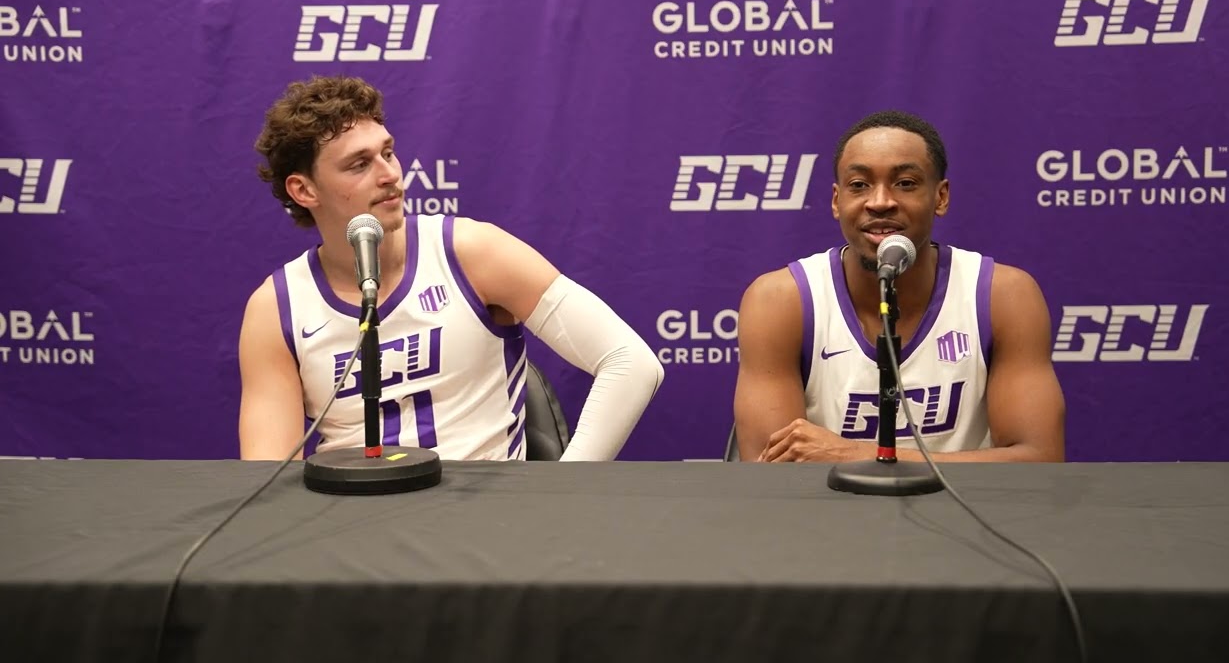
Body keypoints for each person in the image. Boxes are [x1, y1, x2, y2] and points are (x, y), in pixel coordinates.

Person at [238, 75, 663, 461]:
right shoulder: (277, 308)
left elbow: (631, 362)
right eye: (359, 164)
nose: (389, 174)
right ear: (304, 189)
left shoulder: (470, 252)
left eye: (388, 152)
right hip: (354, 529)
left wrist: (562, 493)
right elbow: (269, 473)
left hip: (489, 529)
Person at [733, 110, 1064, 463]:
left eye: (905, 183)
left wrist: (854, 455)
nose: (879, 202)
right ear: (836, 200)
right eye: (859, 185)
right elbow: (769, 475)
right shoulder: (779, 301)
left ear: (940, 197)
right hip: (826, 516)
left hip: (962, 514)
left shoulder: (1003, 295)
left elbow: (1039, 460)